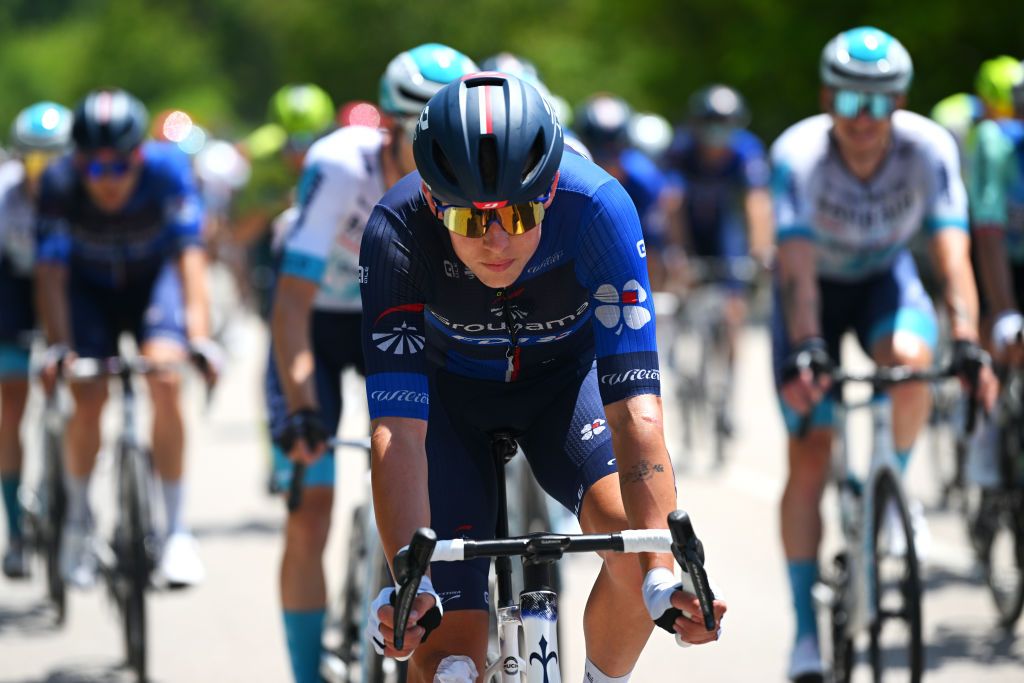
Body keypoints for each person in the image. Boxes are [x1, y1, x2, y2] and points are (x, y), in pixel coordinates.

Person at [359, 72, 726, 682]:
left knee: (633, 553)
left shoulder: (599, 207)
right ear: (430, 198)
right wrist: (411, 582)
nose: (497, 241)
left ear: (552, 187)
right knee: (448, 659)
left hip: (565, 384)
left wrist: (662, 576)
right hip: (449, 399)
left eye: (521, 212)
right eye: (472, 221)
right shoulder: (396, 229)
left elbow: (636, 408)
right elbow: (397, 429)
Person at [770, 27, 997, 682]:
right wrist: (809, 348)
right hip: (812, 292)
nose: (864, 120)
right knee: (810, 450)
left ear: (899, 102)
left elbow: (954, 256)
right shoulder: (800, 154)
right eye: (849, 101)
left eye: (879, 102)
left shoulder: (930, 148)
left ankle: (889, 489)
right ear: (825, 98)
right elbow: (800, 275)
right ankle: (805, 634)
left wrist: (967, 342)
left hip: (884, 281)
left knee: (908, 357)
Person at [268, 43, 477, 683]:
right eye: (417, 134)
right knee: (311, 507)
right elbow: (291, 304)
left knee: (432, 490)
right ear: (385, 127)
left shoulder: (471, 179)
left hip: (406, 321)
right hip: (324, 326)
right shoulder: (337, 168)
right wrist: (303, 408)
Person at [35, 88, 220, 590]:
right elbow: (50, 274)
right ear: (79, 163)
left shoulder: (167, 171)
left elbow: (190, 259)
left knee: (165, 378)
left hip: (150, 283)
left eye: (120, 168)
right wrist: (59, 346)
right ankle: (77, 520)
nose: (109, 182)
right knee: (87, 394)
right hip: (87, 289)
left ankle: (177, 531)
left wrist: (199, 339)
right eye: (96, 170)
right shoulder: (58, 181)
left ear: (141, 156)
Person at [662, 85, 773, 420]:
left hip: (727, 229)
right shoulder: (681, 150)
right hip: (690, 226)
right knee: (684, 284)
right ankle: (681, 357)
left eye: (725, 124)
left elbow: (757, 203)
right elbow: (671, 203)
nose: (717, 132)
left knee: (733, 311)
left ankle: (727, 394)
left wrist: (760, 250)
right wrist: (677, 252)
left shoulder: (745, 150)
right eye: (710, 123)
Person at [0, 101, 73, 578]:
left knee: (80, 384)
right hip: (12, 285)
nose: (41, 172)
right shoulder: (5, 196)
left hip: (66, 281)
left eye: (53, 161)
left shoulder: (80, 193)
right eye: (32, 161)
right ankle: (17, 531)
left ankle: (69, 494)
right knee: (11, 402)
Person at [233, 83, 336, 317]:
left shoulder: (342, 156)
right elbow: (240, 233)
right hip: (272, 240)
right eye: (291, 143)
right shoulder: (259, 156)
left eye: (310, 141)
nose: (299, 153)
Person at [575, 93, 676, 290]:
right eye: (599, 150)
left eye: (615, 150)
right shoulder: (565, 176)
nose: (607, 160)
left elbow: (652, 245)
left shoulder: (645, 179)